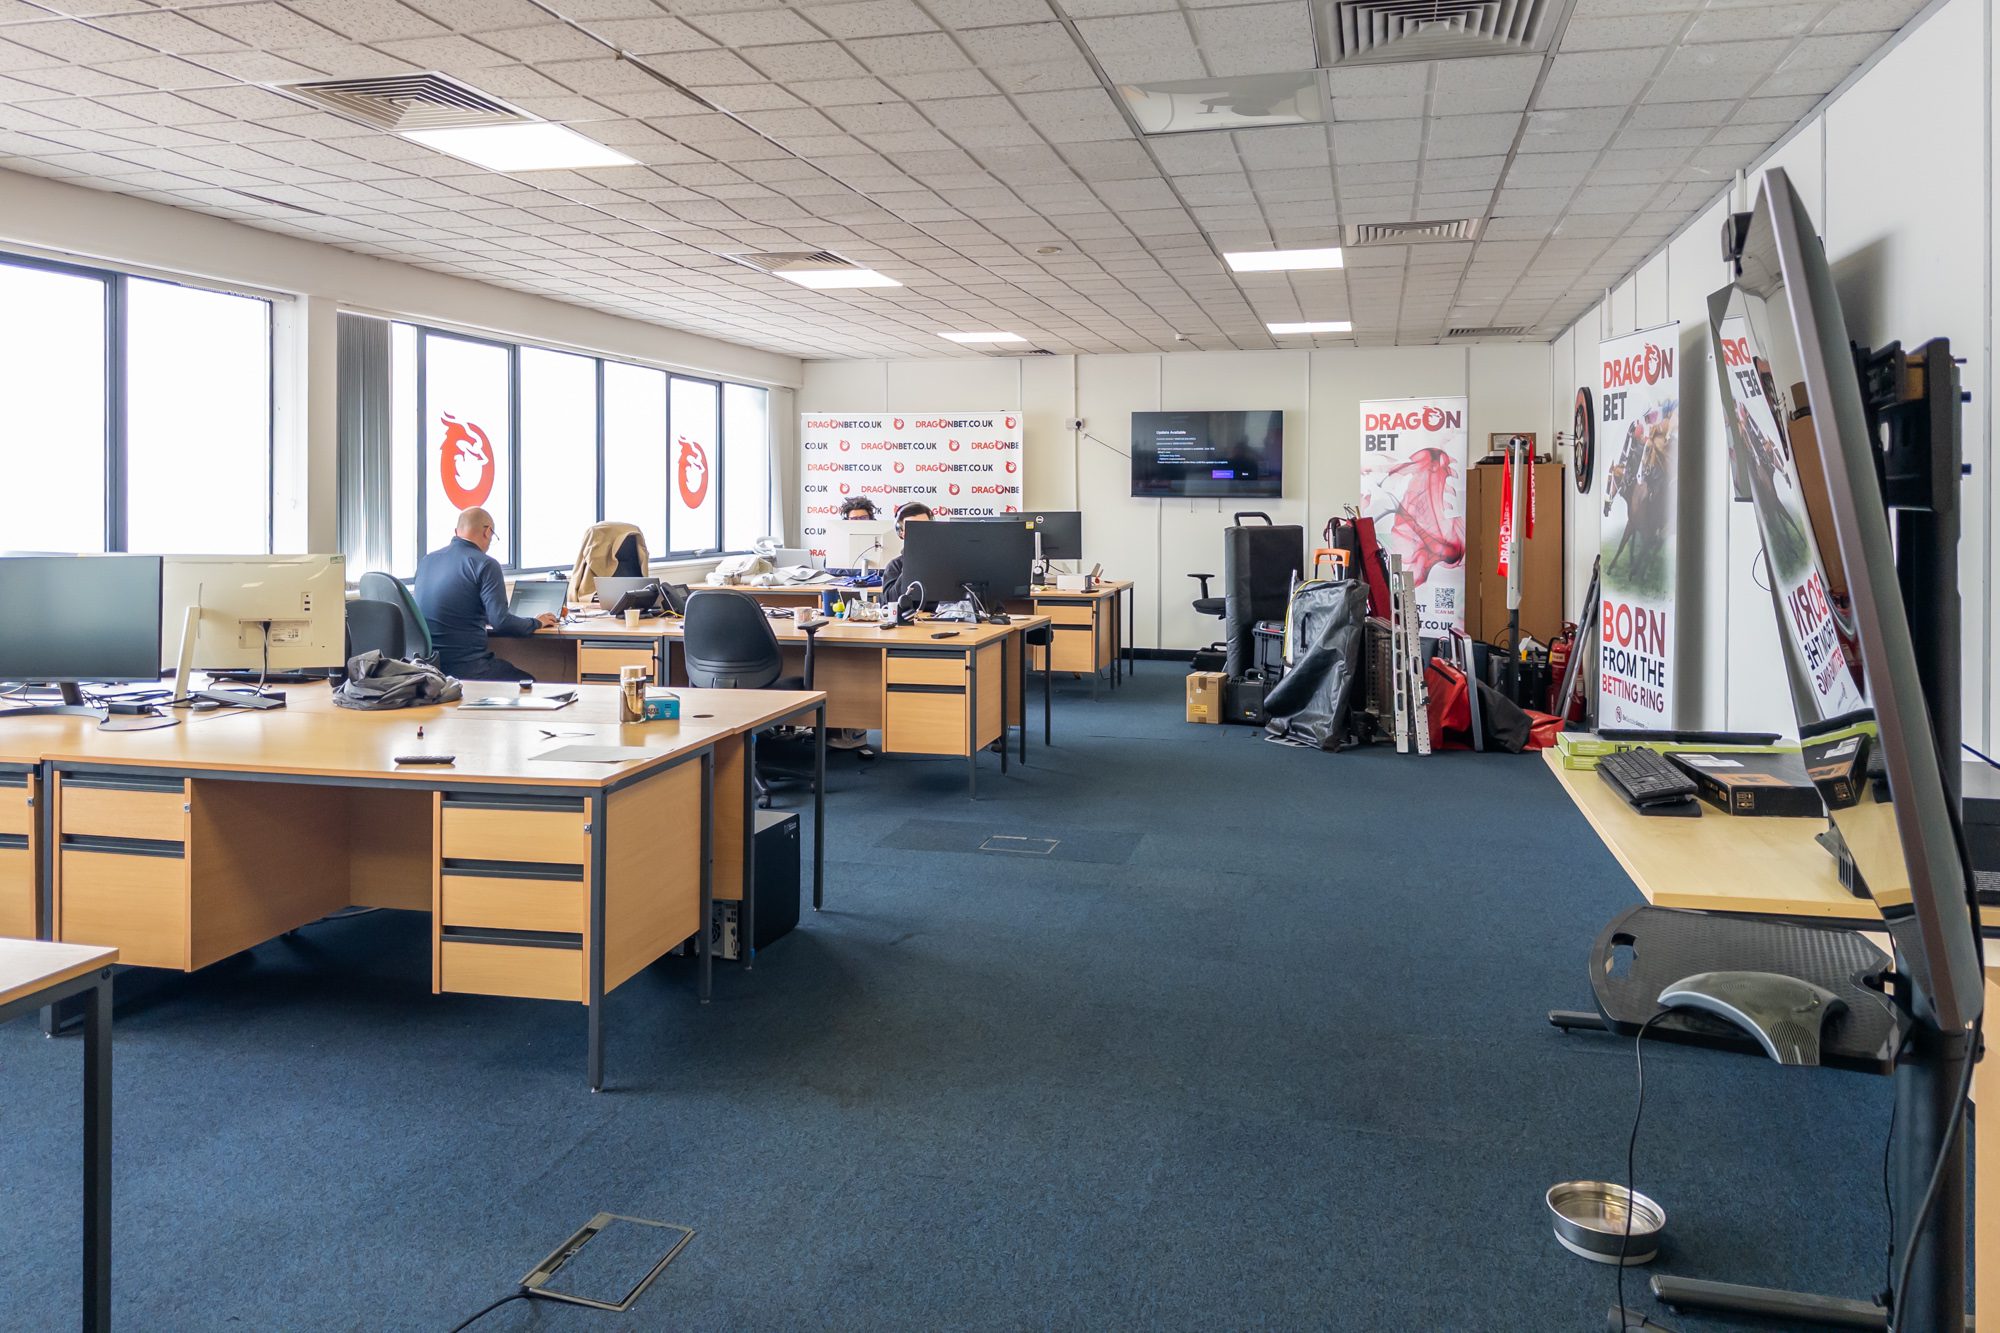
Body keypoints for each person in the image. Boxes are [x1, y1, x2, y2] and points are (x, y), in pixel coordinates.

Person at [414, 507, 557, 682]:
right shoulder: (485, 564)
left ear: (456, 532)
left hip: (428, 670)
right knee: (529, 683)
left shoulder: (427, 561)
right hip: (468, 668)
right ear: (488, 531)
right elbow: (501, 622)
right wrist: (536, 622)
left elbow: (455, 608)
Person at [879, 502, 931, 602]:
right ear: (901, 533)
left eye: (925, 526)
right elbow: (889, 602)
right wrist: (911, 564)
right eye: (913, 528)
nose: (921, 532)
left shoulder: (946, 561)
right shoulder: (895, 566)